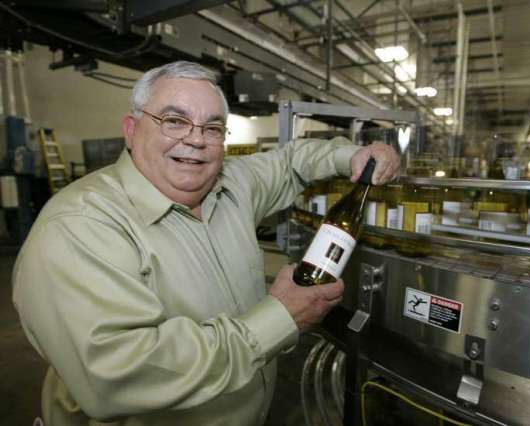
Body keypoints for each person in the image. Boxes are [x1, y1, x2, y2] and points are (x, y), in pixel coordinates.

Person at [12, 60, 400, 425]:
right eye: (174, 121)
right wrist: (281, 318)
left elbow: (290, 161)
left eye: (212, 128)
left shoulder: (231, 186)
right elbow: (115, 375)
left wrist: (355, 155)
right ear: (131, 130)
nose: (195, 140)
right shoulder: (79, 226)